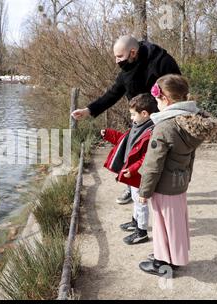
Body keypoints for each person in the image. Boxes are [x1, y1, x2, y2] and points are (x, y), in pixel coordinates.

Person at [71, 35, 181, 205]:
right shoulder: (126, 70)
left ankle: (163, 189)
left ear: (133, 52)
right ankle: (132, 188)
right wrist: (89, 110)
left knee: (159, 156)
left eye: (119, 57)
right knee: (133, 154)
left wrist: (173, 114)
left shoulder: (162, 61)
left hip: (162, 118)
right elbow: (113, 93)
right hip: (139, 118)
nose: (116, 61)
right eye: (115, 57)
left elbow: (177, 88)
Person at [137, 74, 217, 276]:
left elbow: (153, 164)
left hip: (164, 186)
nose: (156, 104)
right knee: (176, 224)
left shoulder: (165, 127)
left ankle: (161, 263)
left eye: (157, 100)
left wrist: (144, 190)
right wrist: (187, 178)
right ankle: (175, 258)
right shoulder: (190, 124)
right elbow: (190, 156)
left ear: (165, 99)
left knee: (161, 225)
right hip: (180, 182)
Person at [101, 94, 158, 245]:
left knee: (140, 202)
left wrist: (132, 169)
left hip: (139, 175)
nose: (131, 118)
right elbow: (123, 142)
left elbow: (147, 158)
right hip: (132, 173)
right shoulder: (137, 127)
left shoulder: (150, 133)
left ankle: (142, 231)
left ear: (144, 113)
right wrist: (108, 134)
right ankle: (135, 222)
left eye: (133, 114)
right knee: (135, 199)